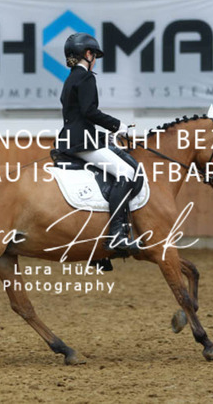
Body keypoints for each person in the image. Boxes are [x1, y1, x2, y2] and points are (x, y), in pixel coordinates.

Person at [57, 32, 140, 257]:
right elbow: (89, 112)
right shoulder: (86, 78)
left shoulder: (70, 79)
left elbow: (77, 116)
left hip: (69, 139)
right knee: (126, 172)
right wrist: (118, 125)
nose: (95, 60)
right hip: (82, 143)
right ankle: (117, 233)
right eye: (94, 55)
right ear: (87, 54)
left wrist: (105, 136)